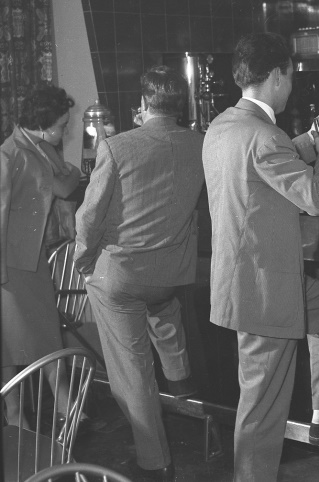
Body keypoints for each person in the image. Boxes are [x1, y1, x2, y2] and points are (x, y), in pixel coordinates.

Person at [203, 32, 319, 482]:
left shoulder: (225, 125)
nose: (291, 84)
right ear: (276, 75)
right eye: (290, 75)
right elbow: (318, 199)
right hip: (264, 291)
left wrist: (312, 140)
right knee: (262, 411)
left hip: (251, 279)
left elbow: (268, 159)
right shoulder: (265, 135)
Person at [75, 67, 204, 482]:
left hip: (124, 277)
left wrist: (84, 261)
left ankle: (155, 462)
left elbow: (89, 217)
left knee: (131, 374)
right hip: (171, 274)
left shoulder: (116, 147)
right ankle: (180, 378)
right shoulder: (200, 142)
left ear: (145, 103)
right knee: (162, 307)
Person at [1, 84, 81, 426]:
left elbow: (63, 186)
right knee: (8, 343)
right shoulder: (9, 154)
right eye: (62, 125)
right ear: (45, 123)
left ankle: (65, 406)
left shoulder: (41, 147)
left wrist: (74, 170)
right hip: (10, 264)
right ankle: (16, 413)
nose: (65, 131)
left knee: (46, 333)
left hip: (32, 260)